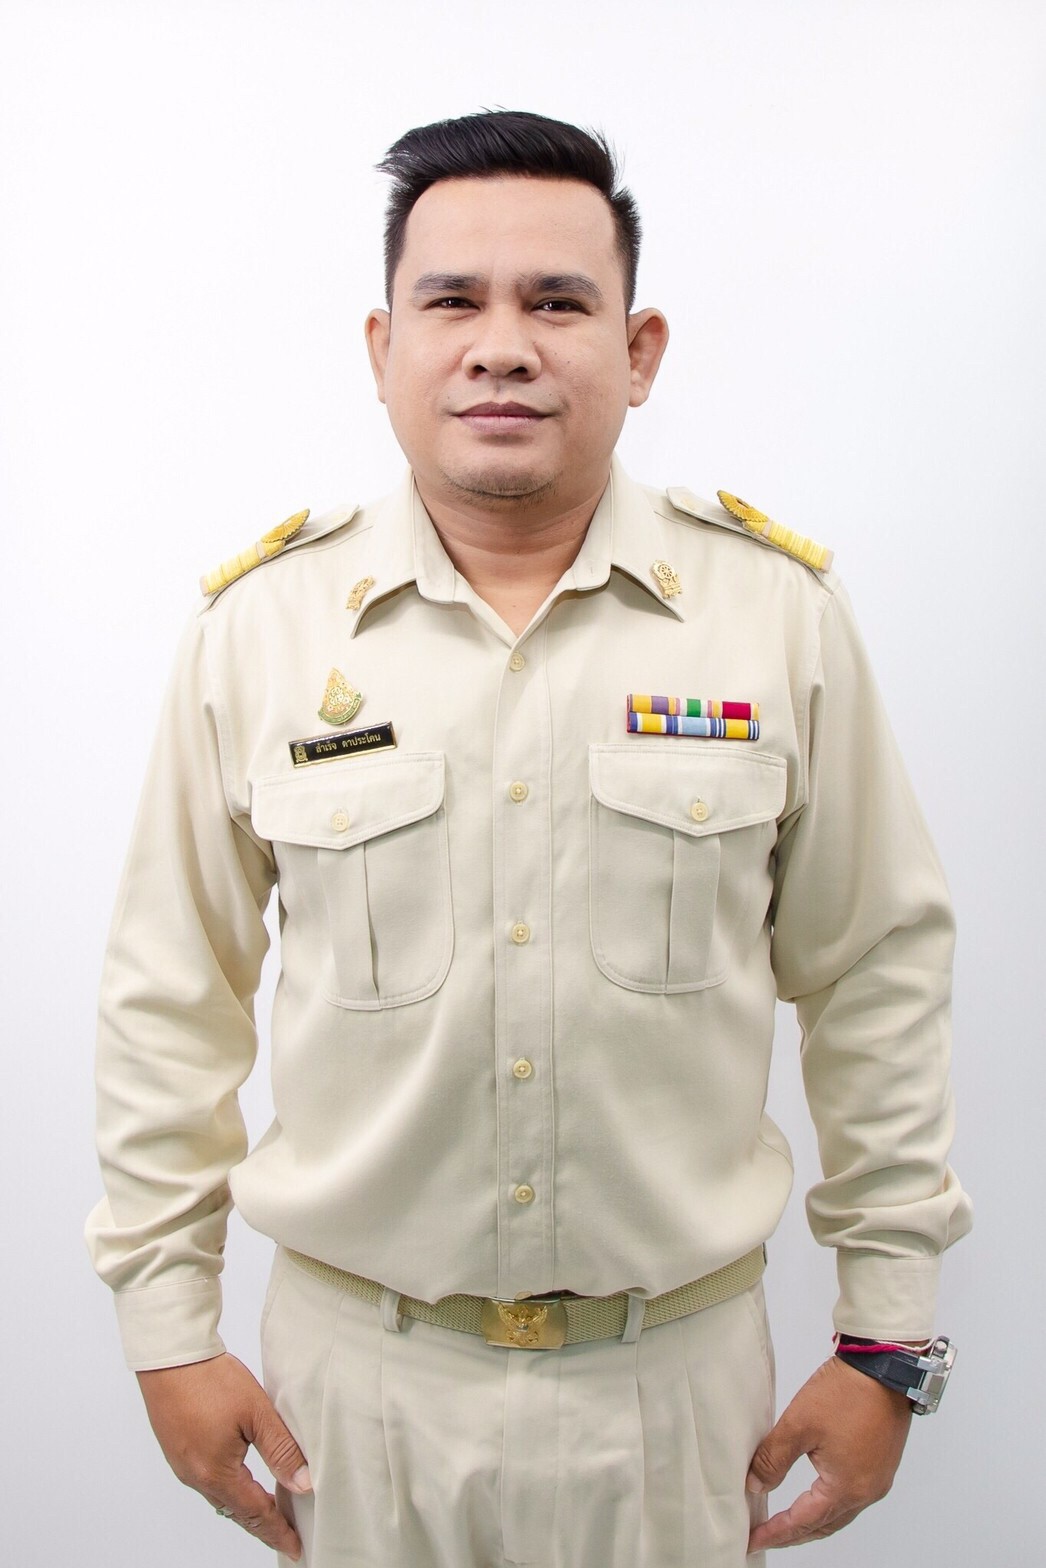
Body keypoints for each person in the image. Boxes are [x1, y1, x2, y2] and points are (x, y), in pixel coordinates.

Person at [87, 110, 971, 1567]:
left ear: (638, 349)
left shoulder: (775, 620)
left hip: (675, 1394)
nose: (502, 347)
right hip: (356, 1395)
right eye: (454, 302)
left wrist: (888, 1334)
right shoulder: (261, 633)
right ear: (385, 348)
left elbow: (876, 975)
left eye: (557, 302)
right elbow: (169, 1000)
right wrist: (165, 1328)